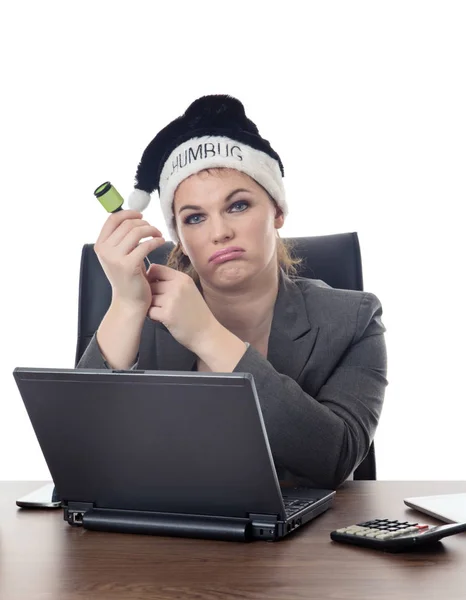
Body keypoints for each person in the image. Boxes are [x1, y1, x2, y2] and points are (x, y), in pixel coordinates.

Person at [77, 94, 388, 489]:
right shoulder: (143, 318)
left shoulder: (354, 320)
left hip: (298, 545)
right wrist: (126, 304)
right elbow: (81, 454)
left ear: (277, 211)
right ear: (179, 240)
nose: (219, 231)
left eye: (238, 206)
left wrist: (207, 335)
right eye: (194, 218)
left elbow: (334, 459)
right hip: (161, 540)